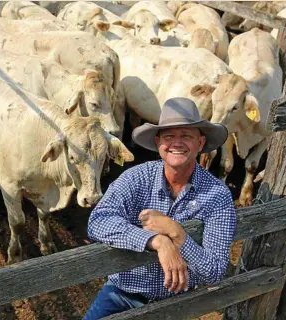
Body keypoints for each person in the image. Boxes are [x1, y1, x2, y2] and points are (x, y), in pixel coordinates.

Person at [84, 97, 236, 319]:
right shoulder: (137, 177)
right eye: (169, 136)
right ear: (158, 143)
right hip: (122, 294)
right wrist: (158, 241)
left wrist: (177, 234)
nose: (177, 143)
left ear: (200, 143)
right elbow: (98, 220)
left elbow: (214, 271)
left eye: (186, 136)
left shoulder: (217, 195)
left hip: (177, 303)